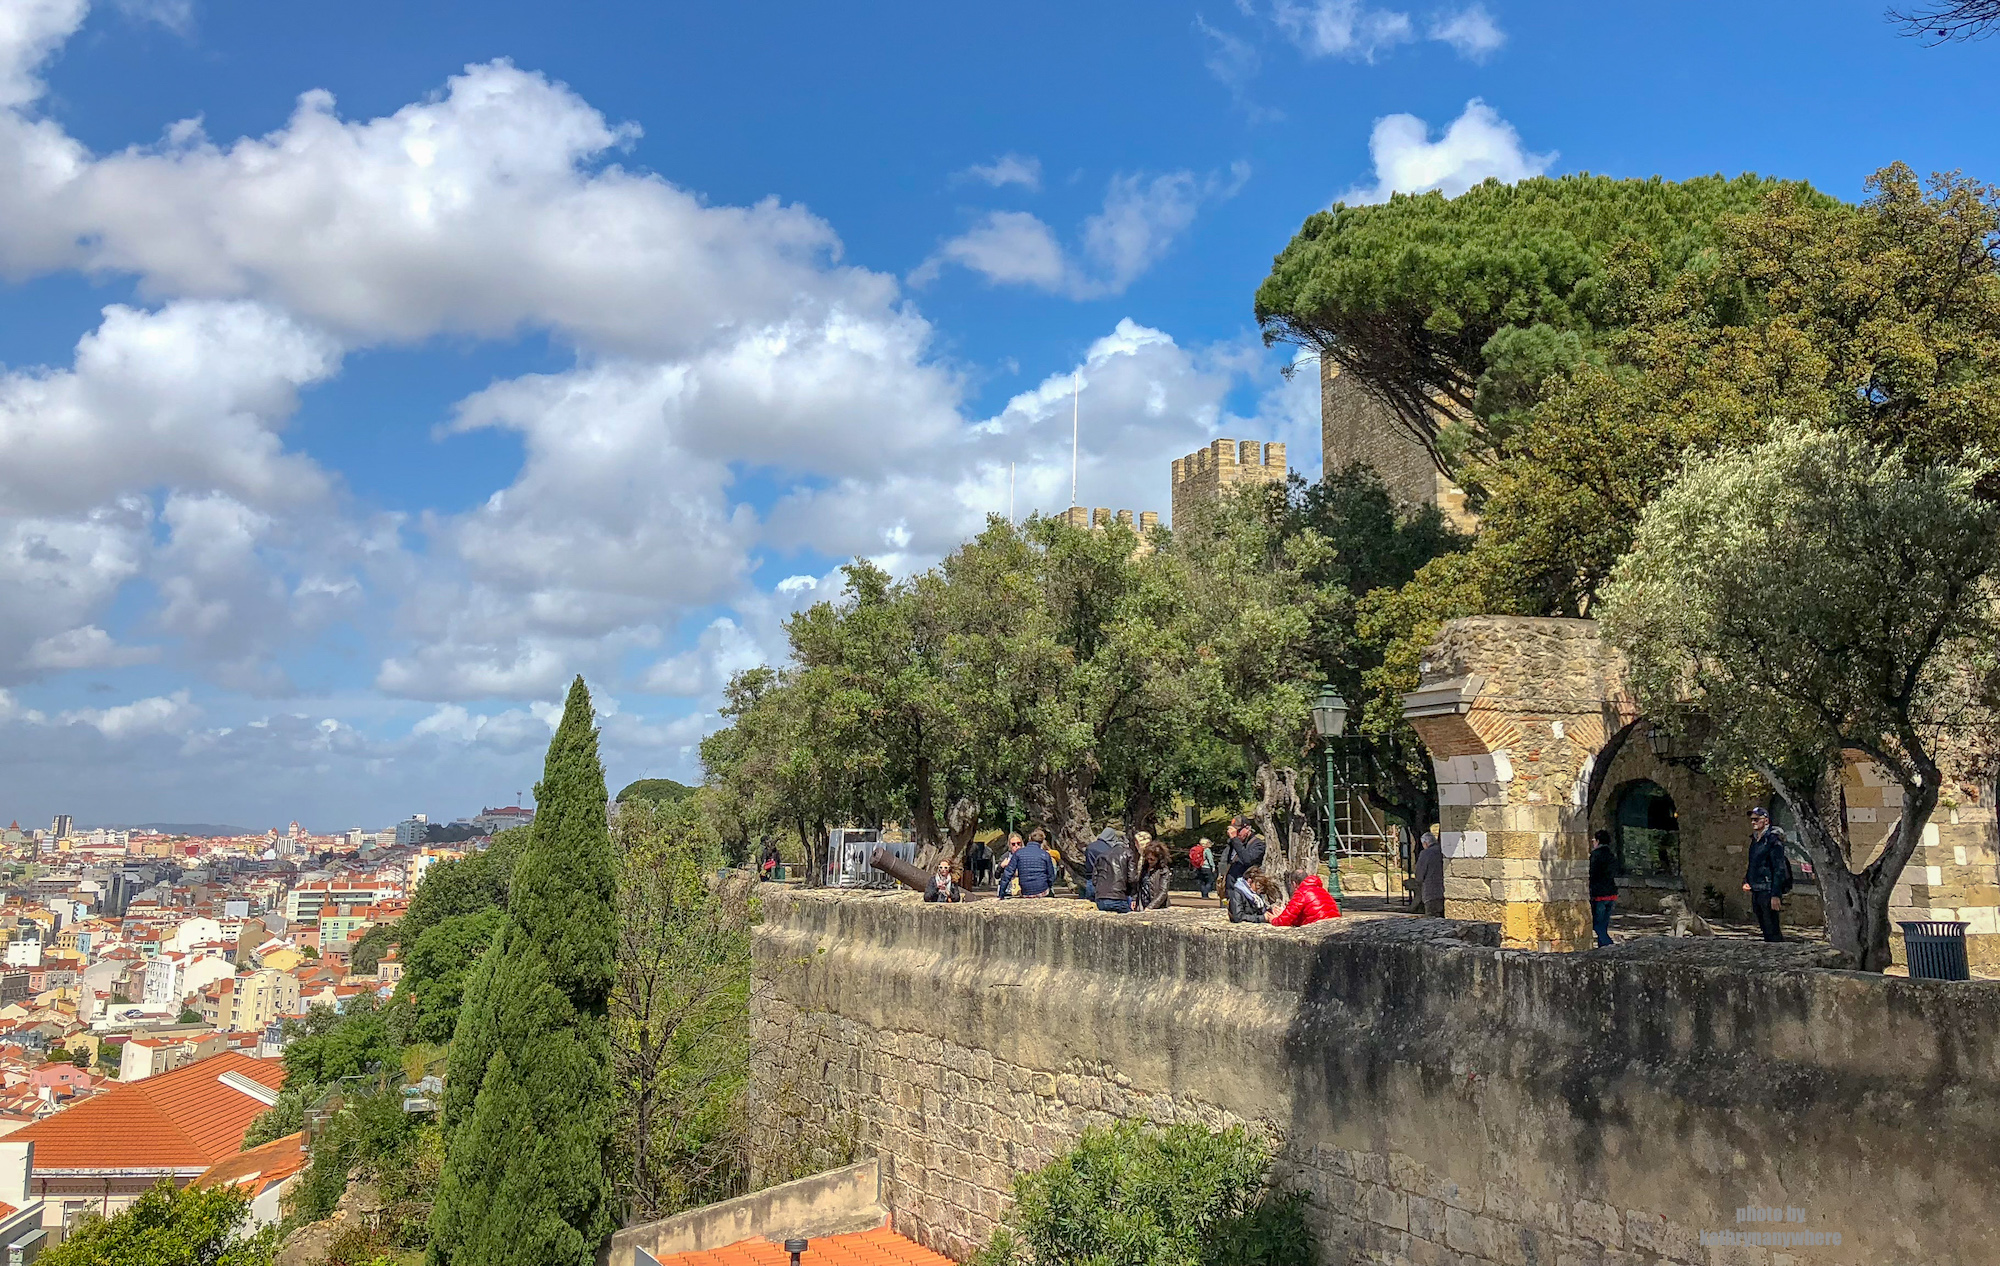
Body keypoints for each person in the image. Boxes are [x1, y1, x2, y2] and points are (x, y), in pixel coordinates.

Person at [1743, 807, 1794, 943]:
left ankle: (1780, 958)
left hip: (1768, 889)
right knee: (1764, 927)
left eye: (1756, 819)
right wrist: (1747, 880)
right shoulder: (1755, 840)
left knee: (1772, 928)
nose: (1753, 822)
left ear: (1766, 820)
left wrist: (1775, 894)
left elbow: (1779, 868)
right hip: (1757, 889)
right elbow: (1753, 863)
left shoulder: (1773, 840)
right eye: (1752, 819)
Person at [1091, 828, 1139, 912]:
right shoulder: (1128, 853)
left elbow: (1095, 880)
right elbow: (1132, 878)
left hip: (1101, 897)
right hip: (1119, 896)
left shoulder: (1102, 855)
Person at [998, 831, 1057, 899]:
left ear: (1029, 838)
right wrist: (1048, 885)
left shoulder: (1019, 853)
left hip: (1026, 891)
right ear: (1042, 841)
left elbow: (1007, 874)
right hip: (1042, 890)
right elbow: (1051, 876)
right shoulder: (1045, 855)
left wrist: (1001, 894)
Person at [1270, 873, 1341, 927]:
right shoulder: (1322, 890)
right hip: (1334, 925)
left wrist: (1273, 919)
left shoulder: (1301, 893)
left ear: (1294, 884)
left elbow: (1284, 921)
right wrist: (1284, 913)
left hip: (1318, 927)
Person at [1588, 828, 1619, 947]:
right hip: (1611, 892)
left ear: (1598, 841)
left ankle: (1609, 945)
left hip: (1599, 894)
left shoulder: (1596, 855)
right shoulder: (1611, 855)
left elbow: (1592, 873)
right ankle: (1603, 948)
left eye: (1594, 840)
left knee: (1597, 924)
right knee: (1604, 924)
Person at [1224, 816, 1267, 896]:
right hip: (1232, 888)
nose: (1235, 834)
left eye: (1238, 831)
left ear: (1247, 828)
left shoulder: (1258, 843)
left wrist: (1235, 840)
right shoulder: (1234, 843)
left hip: (1247, 891)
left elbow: (1247, 860)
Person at [1135, 835, 1172, 910]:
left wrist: (1151, 907)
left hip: (1157, 907)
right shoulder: (1144, 868)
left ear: (1159, 858)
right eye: (1147, 859)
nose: (1149, 861)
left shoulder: (1163, 871)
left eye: (1152, 859)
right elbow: (1139, 886)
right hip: (1142, 903)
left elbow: (1163, 892)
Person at [1412, 831, 1444, 917]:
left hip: (1431, 892)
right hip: (1445, 892)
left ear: (1425, 843)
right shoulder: (1443, 851)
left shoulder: (1425, 854)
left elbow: (1419, 875)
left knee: (1432, 918)